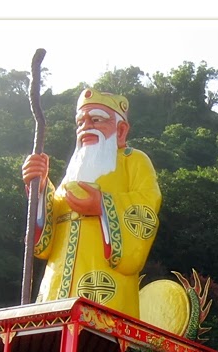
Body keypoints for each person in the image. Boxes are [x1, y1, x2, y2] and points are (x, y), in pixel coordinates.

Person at [21, 88, 162, 321]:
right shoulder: (73, 170)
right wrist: (41, 188)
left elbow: (147, 203)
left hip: (103, 283)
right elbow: (45, 241)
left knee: (99, 334)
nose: (86, 126)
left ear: (121, 130)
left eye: (96, 120)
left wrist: (103, 206)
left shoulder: (134, 160)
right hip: (57, 283)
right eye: (80, 122)